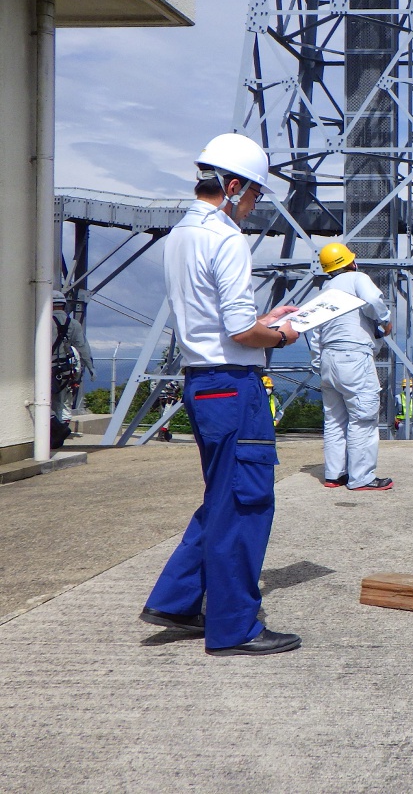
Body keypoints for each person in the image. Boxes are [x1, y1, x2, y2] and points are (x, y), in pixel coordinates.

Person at [140, 132, 304, 657]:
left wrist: (261, 321)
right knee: (245, 502)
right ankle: (235, 627)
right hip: (234, 384)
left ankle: (178, 599)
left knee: (223, 495)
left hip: (201, 381)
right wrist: (279, 334)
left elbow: (218, 321)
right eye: (254, 194)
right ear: (232, 186)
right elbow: (239, 333)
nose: (254, 206)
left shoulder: (183, 234)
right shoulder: (227, 239)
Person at [311, 241, 393, 491]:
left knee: (334, 419)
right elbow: (371, 298)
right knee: (363, 418)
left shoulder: (324, 291)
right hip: (354, 358)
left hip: (327, 358)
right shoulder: (357, 277)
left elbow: (315, 332)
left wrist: (318, 363)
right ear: (350, 262)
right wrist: (385, 319)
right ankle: (362, 478)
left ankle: (335, 474)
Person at [50, 292, 94, 424]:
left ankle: (45, 434)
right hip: (63, 370)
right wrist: (91, 368)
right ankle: (57, 434)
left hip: (44, 367)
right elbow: (83, 348)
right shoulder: (73, 324)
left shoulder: (42, 321)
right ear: (64, 305)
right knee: (61, 403)